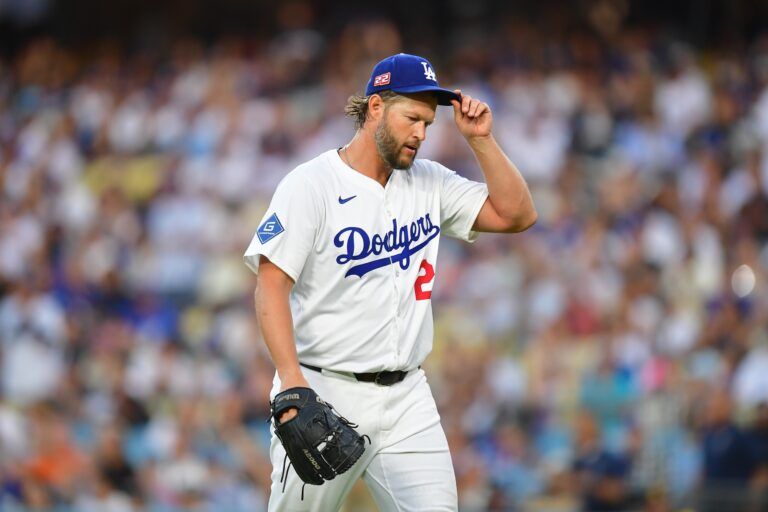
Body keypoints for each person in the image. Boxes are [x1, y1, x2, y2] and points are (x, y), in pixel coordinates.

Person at [244, 52, 536, 511]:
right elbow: (271, 286)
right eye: (412, 118)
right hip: (326, 388)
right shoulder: (311, 185)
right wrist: (292, 383)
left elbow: (517, 215)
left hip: (408, 399)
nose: (421, 134)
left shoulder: (429, 181)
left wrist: (482, 143)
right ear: (376, 107)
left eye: (428, 123)